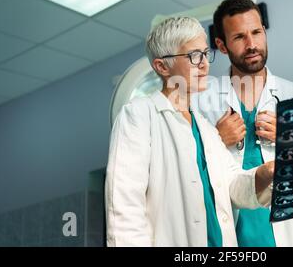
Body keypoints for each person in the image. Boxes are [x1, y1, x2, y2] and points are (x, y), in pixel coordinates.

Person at [105, 16, 274, 247]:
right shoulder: (139, 115)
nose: (204, 63)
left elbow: (232, 186)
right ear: (162, 66)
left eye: (205, 53)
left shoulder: (204, 126)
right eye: (194, 56)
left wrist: (264, 173)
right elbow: (124, 206)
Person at [192, 0, 293, 247]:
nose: (252, 45)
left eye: (257, 32)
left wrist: (291, 138)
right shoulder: (201, 102)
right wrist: (215, 141)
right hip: (233, 239)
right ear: (222, 45)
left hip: (289, 235)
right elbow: (188, 176)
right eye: (238, 37)